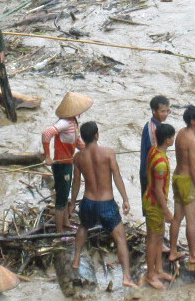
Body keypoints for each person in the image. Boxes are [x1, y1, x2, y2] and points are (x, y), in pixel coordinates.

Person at [68, 122, 136, 287]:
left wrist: (72, 203)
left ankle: (76, 260)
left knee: (83, 226)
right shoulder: (108, 153)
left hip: (88, 202)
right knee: (120, 239)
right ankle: (126, 276)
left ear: (82, 138)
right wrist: (125, 199)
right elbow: (117, 177)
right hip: (106, 203)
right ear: (97, 135)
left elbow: (75, 182)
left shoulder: (78, 157)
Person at [167, 105, 195, 264]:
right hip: (187, 180)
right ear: (194, 122)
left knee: (177, 217)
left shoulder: (180, 133)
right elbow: (193, 168)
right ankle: (194, 255)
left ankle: (172, 251)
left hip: (177, 177)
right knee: (191, 221)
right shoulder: (193, 141)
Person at [43, 92, 91, 232]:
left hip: (68, 162)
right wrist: (48, 156)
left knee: (65, 194)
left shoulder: (73, 122)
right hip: (61, 164)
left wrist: (89, 150)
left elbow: (77, 141)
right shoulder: (63, 123)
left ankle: (65, 222)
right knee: (62, 197)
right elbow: (46, 134)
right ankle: (59, 231)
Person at [142, 123, 176, 289]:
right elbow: (157, 189)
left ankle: (159, 269)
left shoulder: (153, 150)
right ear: (168, 140)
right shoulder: (161, 163)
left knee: (159, 235)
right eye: (172, 137)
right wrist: (167, 211)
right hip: (155, 204)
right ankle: (150, 274)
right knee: (153, 240)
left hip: (152, 200)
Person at [139, 95, 170, 196]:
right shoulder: (153, 130)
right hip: (149, 174)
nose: (165, 114)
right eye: (162, 111)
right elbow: (155, 154)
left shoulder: (154, 125)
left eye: (167, 111)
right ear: (154, 111)